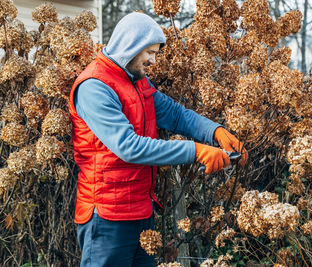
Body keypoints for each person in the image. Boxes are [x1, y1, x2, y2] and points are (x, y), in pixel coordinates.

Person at [68, 12, 248, 267]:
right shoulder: (94, 87)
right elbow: (128, 147)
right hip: (107, 218)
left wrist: (215, 132)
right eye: (149, 52)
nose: (154, 60)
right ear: (131, 45)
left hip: (140, 211)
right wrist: (195, 151)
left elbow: (175, 114)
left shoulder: (136, 82)